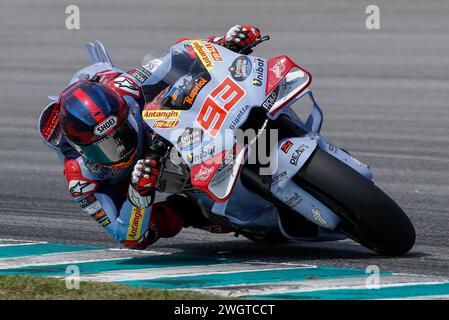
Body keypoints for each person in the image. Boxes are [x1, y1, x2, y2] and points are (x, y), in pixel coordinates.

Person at [38, 25, 262, 249]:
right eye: (105, 147)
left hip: (161, 130)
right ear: (82, 150)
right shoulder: (81, 177)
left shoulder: (129, 88)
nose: (120, 147)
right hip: (132, 180)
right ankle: (189, 211)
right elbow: (126, 236)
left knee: (190, 85)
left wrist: (225, 43)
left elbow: (181, 54)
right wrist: (139, 190)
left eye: (121, 134)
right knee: (148, 232)